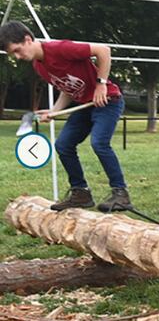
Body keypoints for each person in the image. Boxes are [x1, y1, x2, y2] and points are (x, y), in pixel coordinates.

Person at [1, 21, 133, 213]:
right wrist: (54, 111)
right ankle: (81, 193)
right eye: (13, 54)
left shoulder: (60, 49)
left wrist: (100, 84)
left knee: (99, 143)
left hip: (107, 101)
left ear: (27, 39)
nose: (18, 57)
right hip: (84, 106)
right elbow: (68, 88)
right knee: (63, 144)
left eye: (17, 50)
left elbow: (103, 50)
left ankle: (121, 194)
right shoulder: (40, 66)